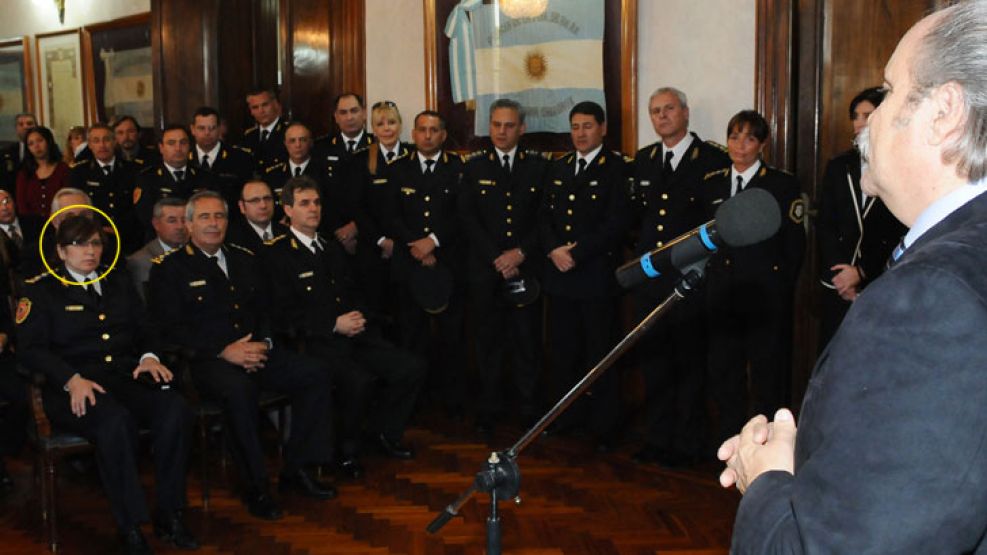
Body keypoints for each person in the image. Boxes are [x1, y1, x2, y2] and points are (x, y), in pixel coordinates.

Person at [720, 2, 987, 552]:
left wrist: (768, 479)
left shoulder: (933, 297)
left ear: (945, 112)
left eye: (888, 92)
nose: (869, 121)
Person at [148, 190, 336, 520]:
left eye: (219, 216)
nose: (213, 223)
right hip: (207, 362)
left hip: (256, 350)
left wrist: (264, 341)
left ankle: (297, 468)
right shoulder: (169, 269)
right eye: (204, 217)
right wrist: (223, 350)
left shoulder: (244, 258)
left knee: (315, 373)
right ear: (189, 225)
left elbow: (266, 309)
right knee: (240, 391)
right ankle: (256, 487)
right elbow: (169, 330)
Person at [16, 215, 197, 553]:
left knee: (174, 409)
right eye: (79, 244)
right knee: (114, 422)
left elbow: (146, 329)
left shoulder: (117, 281)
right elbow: (29, 350)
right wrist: (70, 379)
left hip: (124, 378)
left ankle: (170, 513)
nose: (89, 251)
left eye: (95, 243)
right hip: (73, 387)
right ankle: (130, 525)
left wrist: (148, 357)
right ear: (60, 251)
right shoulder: (40, 290)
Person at [264, 176, 426, 476]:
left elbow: (352, 292)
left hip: (353, 334)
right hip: (314, 342)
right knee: (358, 380)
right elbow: (281, 314)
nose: (313, 209)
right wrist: (333, 324)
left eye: (316, 202)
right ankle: (345, 451)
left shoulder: (330, 248)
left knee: (410, 367)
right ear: (287, 210)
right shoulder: (276, 253)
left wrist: (359, 316)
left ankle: (382, 433)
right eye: (304, 203)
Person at [629, 87, 730, 467]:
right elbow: (636, 219)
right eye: (655, 111)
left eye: (669, 109)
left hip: (691, 279)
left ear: (686, 113)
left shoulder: (711, 159)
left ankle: (688, 443)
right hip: (650, 279)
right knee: (654, 362)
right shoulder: (644, 159)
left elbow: (716, 223)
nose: (662, 117)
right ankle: (656, 438)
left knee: (689, 363)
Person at [701, 110, 805, 446]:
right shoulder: (711, 182)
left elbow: (794, 247)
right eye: (734, 136)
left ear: (762, 144)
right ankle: (730, 441)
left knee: (766, 375)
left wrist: (779, 291)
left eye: (749, 138)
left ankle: (764, 445)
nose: (739, 145)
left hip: (764, 297)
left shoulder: (782, 184)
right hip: (722, 295)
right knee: (724, 371)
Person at [538, 101, 631, 452]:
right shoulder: (558, 168)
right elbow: (543, 217)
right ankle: (565, 419)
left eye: (587, 126)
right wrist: (553, 249)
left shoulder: (617, 168)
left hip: (595, 277)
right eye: (575, 126)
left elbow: (616, 223)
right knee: (562, 353)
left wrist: (575, 253)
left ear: (603, 129)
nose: (580, 133)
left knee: (599, 354)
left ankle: (604, 427)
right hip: (559, 276)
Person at [459, 99, 547, 434]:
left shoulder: (538, 166)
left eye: (509, 125)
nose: (501, 131)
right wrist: (498, 258)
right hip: (486, 270)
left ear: (521, 128)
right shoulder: (474, 166)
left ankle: (529, 410)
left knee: (527, 342)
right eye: (496, 124)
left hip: (525, 269)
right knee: (487, 343)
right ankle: (489, 408)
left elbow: (544, 218)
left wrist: (520, 253)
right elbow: (467, 217)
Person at [385, 110, 466, 416]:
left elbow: (462, 214)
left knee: (452, 337)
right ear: (414, 134)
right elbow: (390, 215)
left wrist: (433, 241)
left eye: (434, 130)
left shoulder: (457, 169)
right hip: (409, 265)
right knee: (411, 336)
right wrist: (417, 245)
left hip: (447, 265)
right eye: (422, 130)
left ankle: (453, 402)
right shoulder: (398, 169)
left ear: (443, 135)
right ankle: (414, 403)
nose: (427, 135)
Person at [816, 87, 907, 350]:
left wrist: (862, 272)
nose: (858, 123)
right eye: (854, 116)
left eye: (867, 115)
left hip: (879, 281)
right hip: (837, 281)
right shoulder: (839, 166)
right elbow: (825, 224)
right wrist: (842, 274)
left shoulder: (900, 168)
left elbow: (898, 230)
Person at [347, 100, 412, 320]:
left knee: (406, 311)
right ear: (373, 129)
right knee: (376, 310)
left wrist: (401, 242)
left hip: (407, 248)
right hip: (372, 247)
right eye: (380, 124)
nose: (387, 128)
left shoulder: (412, 157)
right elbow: (357, 208)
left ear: (400, 125)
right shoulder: (361, 160)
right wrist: (381, 240)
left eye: (392, 122)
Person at [69, 123, 141, 254]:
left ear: (114, 142)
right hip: (93, 238)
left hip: (129, 237)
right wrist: (99, 229)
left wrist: (119, 228)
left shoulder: (133, 170)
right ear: (90, 145)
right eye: (96, 141)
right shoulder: (79, 172)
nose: (102, 145)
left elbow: (138, 207)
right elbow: (78, 207)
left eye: (107, 139)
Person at [133, 125, 213, 241]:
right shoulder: (147, 178)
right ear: (161, 147)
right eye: (171, 143)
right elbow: (145, 216)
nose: (178, 148)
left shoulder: (204, 177)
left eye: (183, 143)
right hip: (160, 242)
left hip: (197, 240)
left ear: (190, 146)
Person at [262, 122, 330, 226]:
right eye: (292, 141)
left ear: (310, 142)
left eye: (302, 140)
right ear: (285, 144)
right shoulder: (272, 174)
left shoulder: (324, 172)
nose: (297, 145)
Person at [187, 106, 254, 211]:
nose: (207, 133)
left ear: (219, 129)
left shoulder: (240, 158)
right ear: (192, 129)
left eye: (212, 128)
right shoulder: (184, 158)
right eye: (201, 128)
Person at [127, 197, 187, 303]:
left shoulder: (195, 253)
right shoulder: (141, 261)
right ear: (156, 224)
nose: (180, 226)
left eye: (184, 220)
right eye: (172, 221)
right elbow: (146, 304)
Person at [16, 126, 70, 218]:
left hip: (60, 222)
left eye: (40, 140)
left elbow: (69, 198)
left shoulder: (63, 169)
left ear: (48, 141)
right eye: (31, 144)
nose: (36, 146)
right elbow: (21, 206)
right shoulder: (24, 174)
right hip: (32, 225)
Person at [226, 179, 287, 252]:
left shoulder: (287, 234)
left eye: (267, 199)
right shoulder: (232, 240)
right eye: (255, 200)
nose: (263, 205)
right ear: (242, 206)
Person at [239, 88, 289, 171]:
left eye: (265, 105)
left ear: (276, 104)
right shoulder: (248, 135)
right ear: (251, 111)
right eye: (255, 107)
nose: (261, 111)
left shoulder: (289, 131)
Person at [0, 113, 37, 191]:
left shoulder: (47, 149)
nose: (25, 127)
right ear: (16, 128)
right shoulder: (6, 152)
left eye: (29, 123)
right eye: (21, 124)